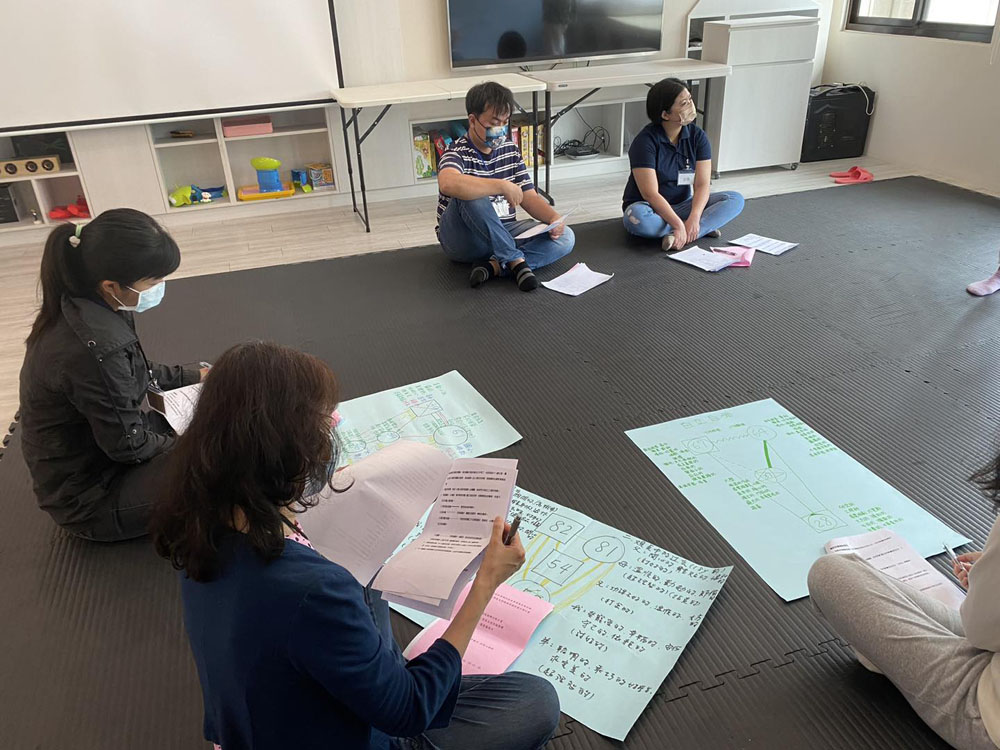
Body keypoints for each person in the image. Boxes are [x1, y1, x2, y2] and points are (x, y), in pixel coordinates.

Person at [151, 341, 560, 750]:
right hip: (354, 729)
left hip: (263, 720)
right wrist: (485, 583)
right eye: (325, 426)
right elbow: (409, 712)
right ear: (291, 454)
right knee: (535, 700)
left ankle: (388, 675)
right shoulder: (315, 590)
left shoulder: (199, 523)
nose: (331, 434)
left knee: (367, 574)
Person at [18, 209, 206, 542]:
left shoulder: (93, 304)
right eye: (153, 282)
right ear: (111, 285)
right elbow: (130, 447)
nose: (159, 288)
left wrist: (195, 376)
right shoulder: (93, 349)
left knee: (210, 420)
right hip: (92, 500)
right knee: (223, 459)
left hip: (101, 454)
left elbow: (135, 370)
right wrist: (190, 444)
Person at [807, 451, 1000, 750]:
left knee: (831, 573)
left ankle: (893, 662)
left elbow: (979, 632)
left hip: (986, 715)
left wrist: (985, 582)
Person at [436, 81, 575, 291]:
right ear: (472, 120)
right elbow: (448, 183)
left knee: (566, 237)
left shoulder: (510, 150)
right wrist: (501, 186)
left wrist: (554, 219)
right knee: (470, 194)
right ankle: (515, 260)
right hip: (464, 239)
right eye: (494, 123)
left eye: (505, 122)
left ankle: (494, 267)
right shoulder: (456, 151)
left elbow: (529, 197)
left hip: (503, 231)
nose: (500, 129)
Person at [622, 78, 745, 251]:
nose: (691, 106)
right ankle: (695, 230)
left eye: (690, 99)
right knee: (634, 217)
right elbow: (650, 194)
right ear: (665, 115)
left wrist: (695, 217)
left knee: (735, 199)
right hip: (649, 207)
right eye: (684, 103)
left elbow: (702, 184)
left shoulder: (698, 136)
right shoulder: (644, 142)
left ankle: (682, 233)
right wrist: (678, 224)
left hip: (683, 205)